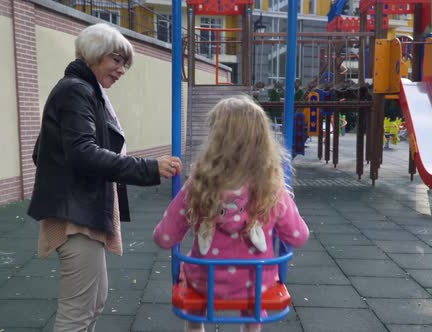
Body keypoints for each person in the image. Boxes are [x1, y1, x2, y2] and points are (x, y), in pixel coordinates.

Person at [27, 23, 182, 332]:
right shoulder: (76, 90)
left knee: (94, 300)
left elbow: (42, 151)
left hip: (80, 210)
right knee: (78, 310)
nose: (121, 69)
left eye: (125, 63)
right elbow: (83, 152)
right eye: (116, 60)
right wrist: (149, 168)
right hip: (74, 215)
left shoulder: (86, 91)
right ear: (95, 55)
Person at [152, 96, 309, 332]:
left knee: (194, 288)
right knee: (255, 288)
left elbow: (164, 238)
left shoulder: (198, 185)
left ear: (215, 140)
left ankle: (195, 327)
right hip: (257, 282)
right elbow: (299, 236)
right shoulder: (271, 188)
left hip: (206, 280)